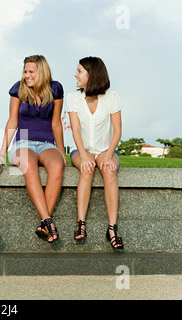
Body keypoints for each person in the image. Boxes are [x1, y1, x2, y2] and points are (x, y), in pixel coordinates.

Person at [0, 55, 66, 244]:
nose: (26, 75)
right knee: (29, 165)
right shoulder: (18, 89)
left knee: (56, 167)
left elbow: (56, 124)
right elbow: (12, 121)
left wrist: (62, 153)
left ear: (42, 72)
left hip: (46, 143)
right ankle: (48, 220)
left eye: (31, 72)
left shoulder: (56, 89)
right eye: (25, 71)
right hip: (23, 142)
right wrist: (2, 151)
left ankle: (44, 223)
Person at [67, 56, 124, 251]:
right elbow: (75, 130)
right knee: (86, 169)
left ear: (92, 75)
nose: (76, 74)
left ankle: (112, 229)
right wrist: (83, 155)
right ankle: (81, 223)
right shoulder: (73, 98)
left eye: (80, 71)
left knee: (109, 171)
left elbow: (117, 131)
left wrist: (108, 155)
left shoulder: (111, 97)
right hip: (81, 150)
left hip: (105, 150)